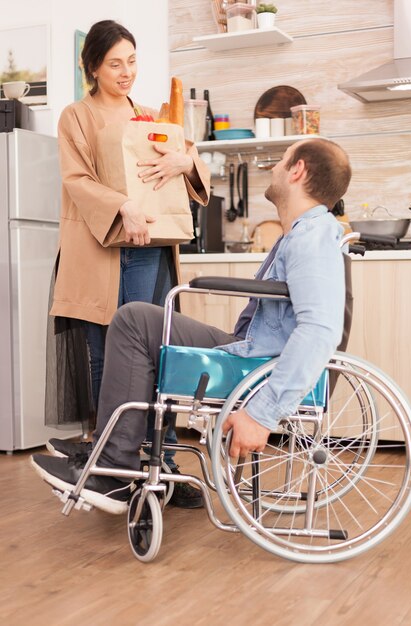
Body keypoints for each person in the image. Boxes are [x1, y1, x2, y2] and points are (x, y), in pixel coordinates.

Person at [32, 138, 352, 515]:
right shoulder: (304, 232)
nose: (274, 168)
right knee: (141, 320)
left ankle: (115, 468)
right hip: (251, 351)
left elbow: (319, 329)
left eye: (281, 161)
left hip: (258, 369)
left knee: (136, 320)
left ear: (297, 170)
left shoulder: (312, 236)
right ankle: (110, 451)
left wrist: (261, 414)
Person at [44, 19, 210, 508]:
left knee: (161, 354)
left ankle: (167, 464)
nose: (126, 72)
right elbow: (76, 179)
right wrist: (123, 205)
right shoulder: (76, 117)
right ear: (92, 66)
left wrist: (185, 161)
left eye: (132, 61)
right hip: (102, 252)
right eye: (115, 63)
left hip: (152, 250)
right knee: (109, 359)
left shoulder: (152, 113)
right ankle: (114, 464)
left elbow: (191, 163)